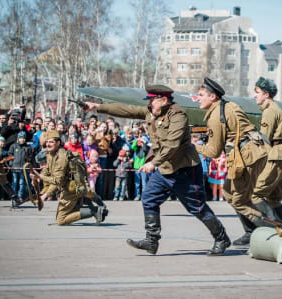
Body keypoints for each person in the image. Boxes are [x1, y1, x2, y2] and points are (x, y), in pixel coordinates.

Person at [85, 84, 231, 256]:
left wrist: (154, 163)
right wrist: (97, 107)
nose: (149, 104)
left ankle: (221, 238)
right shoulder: (153, 111)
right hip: (166, 168)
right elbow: (127, 110)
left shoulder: (178, 116)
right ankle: (151, 241)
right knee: (149, 197)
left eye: (152, 100)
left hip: (185, 170)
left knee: (197, 207)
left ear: (163, 100)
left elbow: (172, 145)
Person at [195, 77, 279, 246]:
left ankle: (272, 235)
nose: (198, 98)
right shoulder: (229, 105)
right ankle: (251, 231)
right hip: (255, 152)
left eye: (201, 95)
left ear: (212, 97)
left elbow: (213, 151)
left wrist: (192, 147)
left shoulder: (216, 116)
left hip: (248, 156)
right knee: (228, 192)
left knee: (240, 200)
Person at [29, 130, 106, 225]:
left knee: (60, 220)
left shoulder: (61, 157)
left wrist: (43, 188)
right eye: (47, 142)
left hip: (72, 188)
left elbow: (57, 180)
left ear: (58, 143)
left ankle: (96, 210)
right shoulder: (50, 154)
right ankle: (96, 205)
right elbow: (48, 169)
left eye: (51, 142)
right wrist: (38, 177)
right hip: (67, 186)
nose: (48, 144)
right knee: (77, 204)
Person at [252, 77, 282, 222]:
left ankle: (275, 228)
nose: (254, 95)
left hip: (276, 154)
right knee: (274, 199)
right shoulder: (276, 109)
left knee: (256, 195)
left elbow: (264, 139)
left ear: (266, 94)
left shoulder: (269, 111)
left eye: (257, 92)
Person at [8, 131, 33, 201]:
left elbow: (30, 157)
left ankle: (20, 195)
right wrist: (11, 163)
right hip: (15, 167)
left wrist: (28, 162)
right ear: (18, 138)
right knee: (14, 182)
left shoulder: (27, 147)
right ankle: (13, 195)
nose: (22, 139)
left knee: (21, 183)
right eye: (21, 138)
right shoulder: (13, 146)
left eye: (23, 138)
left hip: (23, 168)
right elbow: (10, 155)